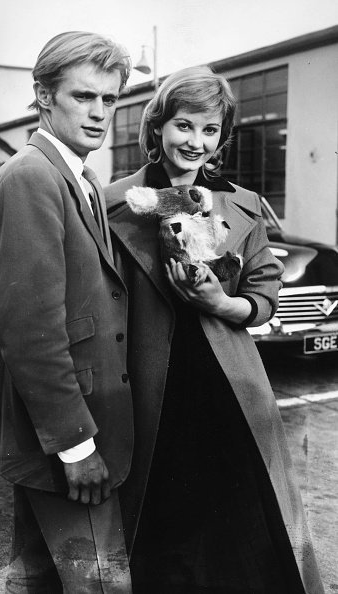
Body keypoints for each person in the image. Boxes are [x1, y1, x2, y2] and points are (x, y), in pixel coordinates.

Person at [105, 66, 325, 593]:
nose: (195, 142)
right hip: (150, 389)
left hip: (228, 388)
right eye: (184, 126)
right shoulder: (112, 201)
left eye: (210, 131)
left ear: (223, 138)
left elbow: (265, 296)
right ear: (157, 126)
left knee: (240, 534)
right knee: (159, 532)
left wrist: (222, 302)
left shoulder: (241, 203)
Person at [0, 31, 134, 593]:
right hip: (68, 436)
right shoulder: (33, 177)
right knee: (102, 583)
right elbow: (30, 330)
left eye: (109, 99)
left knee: (39, 581)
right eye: (84, 97)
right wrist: (77, 446)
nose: (99, 113)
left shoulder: (77, 176)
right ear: (43, 96)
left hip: (62, 429)